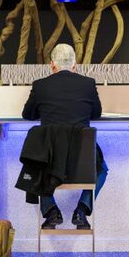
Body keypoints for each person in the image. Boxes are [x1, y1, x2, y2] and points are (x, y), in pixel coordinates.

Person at [22, 43, 106, 229]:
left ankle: (51, 210)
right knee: (101, 170)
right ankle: (82, 210)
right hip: (81, 164)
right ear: (75, 65)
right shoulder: (88, 83)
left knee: (37, 165)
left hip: (49, 163)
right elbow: (96, 113)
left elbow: (27, 114)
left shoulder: (40, 85)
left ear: (52, 65)